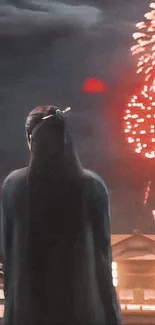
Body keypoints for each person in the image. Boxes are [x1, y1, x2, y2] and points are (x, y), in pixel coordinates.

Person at [1, 105, 122, 325]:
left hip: (26, 313)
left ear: (31, 140)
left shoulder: (13, 186)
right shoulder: (92, 186)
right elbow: (103, 263)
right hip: (84, 312)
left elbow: (7, 258)